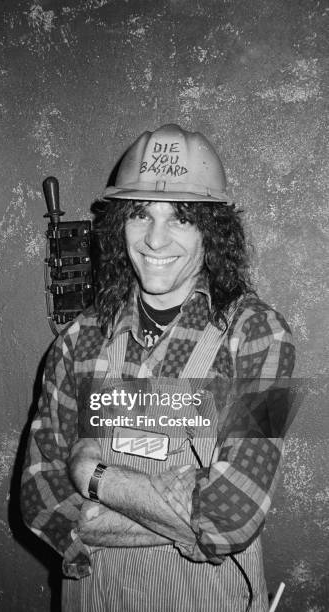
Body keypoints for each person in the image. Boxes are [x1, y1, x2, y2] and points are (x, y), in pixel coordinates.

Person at [21, 124, 295, 611]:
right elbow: (40, 496)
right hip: (95, 596)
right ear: (118, 225)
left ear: (213, 233)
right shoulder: (77, 342)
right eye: (141, 215)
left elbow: (233, 514)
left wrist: (93, 476)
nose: (155, 239)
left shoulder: (260, 338)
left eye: (182, 218)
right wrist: (184, 520)